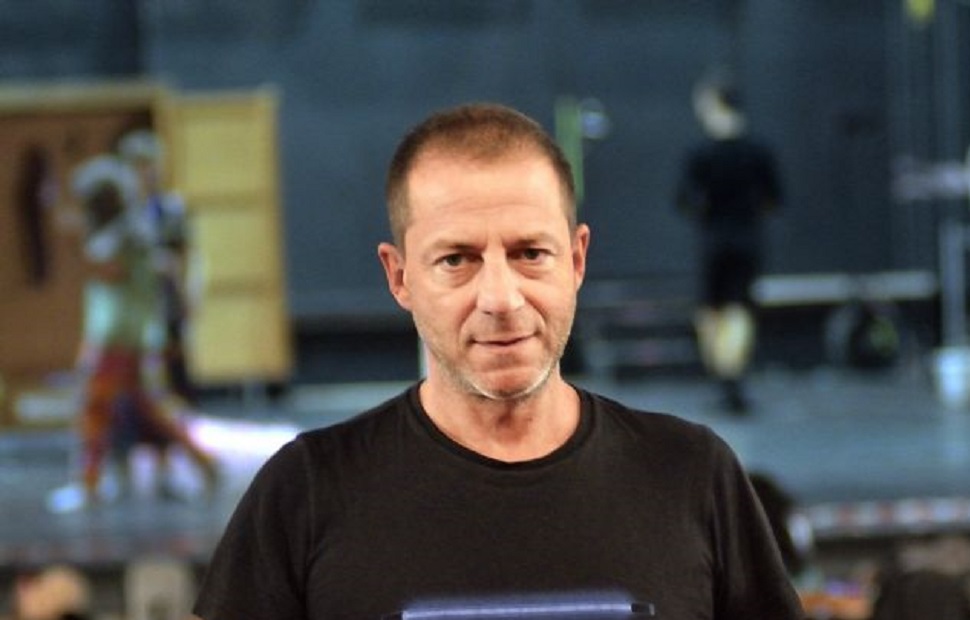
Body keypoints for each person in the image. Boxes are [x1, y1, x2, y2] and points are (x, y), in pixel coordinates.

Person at [192, 103, 804, 619]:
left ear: (577, 260)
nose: (501, 299)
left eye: (530, 253)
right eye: (456, 260)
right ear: (399, 277)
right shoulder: (305, 493)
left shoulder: (692, 476)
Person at [66, 155, 217, 508]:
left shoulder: (122, 236)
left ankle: (89, 485)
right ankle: (205, 463)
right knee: (150, 410)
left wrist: (72, 240)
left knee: (94, 409)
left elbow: (105, 270)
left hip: (118, 338)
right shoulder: (133, 232)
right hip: (129, 335)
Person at [676, 71, 783, 414]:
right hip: (747, 238)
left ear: (712, 104)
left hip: (714, 240)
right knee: (739, 308)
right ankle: (733, 378)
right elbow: (774, 198)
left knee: (711, 309)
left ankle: (724, 377)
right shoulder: (758, 151)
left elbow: (684, 200)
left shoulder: (700, 154)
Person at [117, 129, 197, 406]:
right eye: (139, 166)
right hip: (134, 305)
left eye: (150, 165)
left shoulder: (171, 209)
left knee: (175, 368)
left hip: (167, 299)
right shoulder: (121, 213)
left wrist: (188, 293)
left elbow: (186, 255)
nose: (146, 173)